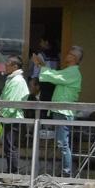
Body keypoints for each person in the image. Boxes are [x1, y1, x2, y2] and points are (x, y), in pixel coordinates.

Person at [34, 46, 83, 178]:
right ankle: (65, 171)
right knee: (62, 143)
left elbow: (55, 77)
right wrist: (42, 65)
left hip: (64, 112)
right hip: (60, 111)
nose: (67, 55)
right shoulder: (69, 71)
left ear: (75, 58)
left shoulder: (73, 72)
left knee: (63, 144)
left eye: (70, 53)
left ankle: (66, 173)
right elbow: (56, 76)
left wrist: (41, 66)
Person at [0, 54, 28, 174]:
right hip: (9, 117)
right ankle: (11, 171)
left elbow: (13, 102)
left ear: (15, 66)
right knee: (9, 146)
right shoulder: (12, 79)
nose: (5, 66)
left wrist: (2, 114)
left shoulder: (17, 80)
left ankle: (13, 172)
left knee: (10, 146)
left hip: (12, 117)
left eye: (7, 64)